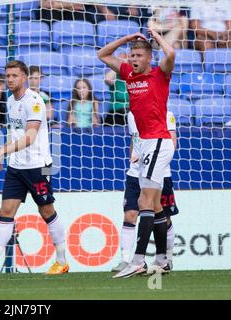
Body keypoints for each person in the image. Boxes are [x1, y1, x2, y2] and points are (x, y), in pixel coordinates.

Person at [0, 60, 69, 275]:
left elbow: (30, 137)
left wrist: (1, 151)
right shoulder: (11, 101)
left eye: (14, 76)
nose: (10, 80)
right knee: (6, 210)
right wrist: (7, 154)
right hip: (16, 166)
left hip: (39, 166)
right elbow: (15, 133)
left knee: (46, 210)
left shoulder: (34, 102)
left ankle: (62, 261)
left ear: (24, 77)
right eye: (7, 76)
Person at [97, 28, 176, 278]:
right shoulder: (128, 74)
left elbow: (171, 52)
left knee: (144, 202)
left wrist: (156, 37)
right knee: (155, 205)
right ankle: (162, 260)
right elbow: (103, 54)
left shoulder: (159, 74)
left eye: (138, 55)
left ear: (149, 58)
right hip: (143, 144)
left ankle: (138, 260)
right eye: (131, 55)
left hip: (158, 141)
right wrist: (127, 39)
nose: (133, 59)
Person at [111, 110, 179, 272]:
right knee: (130, 214)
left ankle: (166, 258)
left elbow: (172, 143)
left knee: (163, 216)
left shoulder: (166, 114)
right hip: (135, 174)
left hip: (160, 173)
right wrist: (132, 157)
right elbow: (134, 140)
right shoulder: (131, 115)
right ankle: (126, 260)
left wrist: (143, 157)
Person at [103, 53, 129, 126]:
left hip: (131, 112)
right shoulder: (115, 76)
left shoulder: (133, 75)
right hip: (116, 113)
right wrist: (117, 66)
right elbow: (107, 79)